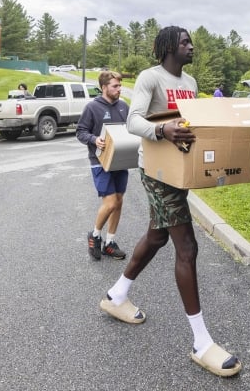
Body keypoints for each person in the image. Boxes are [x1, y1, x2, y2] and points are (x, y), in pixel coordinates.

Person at [98, 26, 242, 377]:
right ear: (167, 48)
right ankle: (201, 342)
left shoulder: (190, 83)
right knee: (187, 247)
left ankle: (117, 296)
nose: (191, 46)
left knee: (157, 235)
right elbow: (134, 120)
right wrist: (162, 130)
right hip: (157, 173)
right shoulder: (151, 78)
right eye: (184, 42)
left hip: (179, 172)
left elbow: (190, 122)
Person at [76, 71, 130, 260]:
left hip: (120, 161)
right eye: (115, 86)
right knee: (110, 202)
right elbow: (81, 132)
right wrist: (94, 139)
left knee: (119, 201)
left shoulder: (124, 106)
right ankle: (95, 234)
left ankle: (110, 242)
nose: (119, 89)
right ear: (104, 87)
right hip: (99, 162)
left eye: (119, 85)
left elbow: (131, 129)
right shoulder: (92, 107)